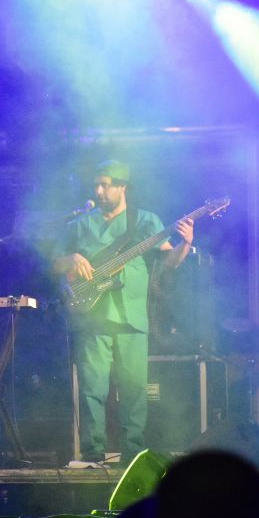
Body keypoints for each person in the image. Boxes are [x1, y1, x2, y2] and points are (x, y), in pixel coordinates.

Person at [53, 160, 193, 467]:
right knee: (92, 388)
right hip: (92, 315)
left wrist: (185, 244)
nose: (99, 191)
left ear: (122, 187)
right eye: (96, 185)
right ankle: (92, 453)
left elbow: (169, 262)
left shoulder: (145, 220)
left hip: (132, 316)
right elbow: (55, 264)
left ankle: (133, 454)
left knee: (135, 390)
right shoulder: (80, 224)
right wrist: (71, 258)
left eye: (105, 185)